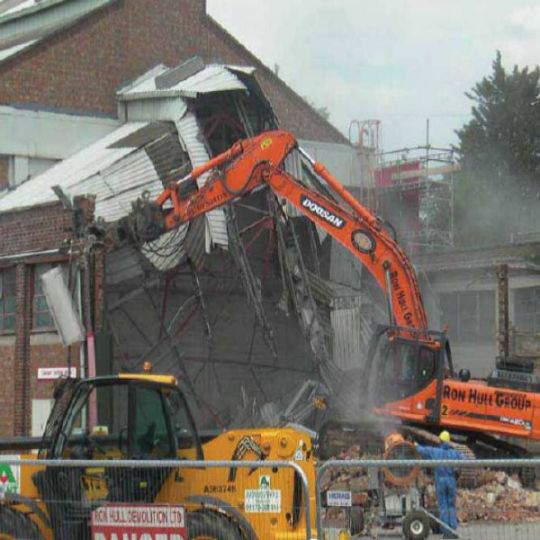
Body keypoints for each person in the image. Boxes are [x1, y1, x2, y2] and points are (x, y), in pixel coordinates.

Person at [416, 431, 462, 539]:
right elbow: (464, 458)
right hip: (451, 481)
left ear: (440, 440)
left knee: (443, 507)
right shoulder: (454, 453)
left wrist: (415, 445)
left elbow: (423, 450)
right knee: (451, 506)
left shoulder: (436, 452)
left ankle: (446, 532)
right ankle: (453, 530)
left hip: (441, 481)